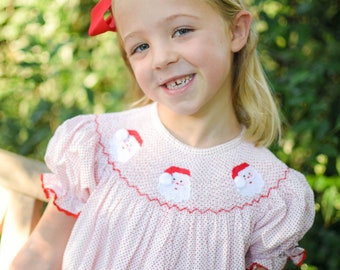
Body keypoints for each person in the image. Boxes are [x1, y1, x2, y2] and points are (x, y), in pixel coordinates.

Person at [9, 0, 315, 269]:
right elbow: (42, 256)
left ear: (235, 31)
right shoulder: (101, 146)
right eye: (141, 47)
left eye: (181, 31)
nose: (161, 58)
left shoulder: (270, 194)